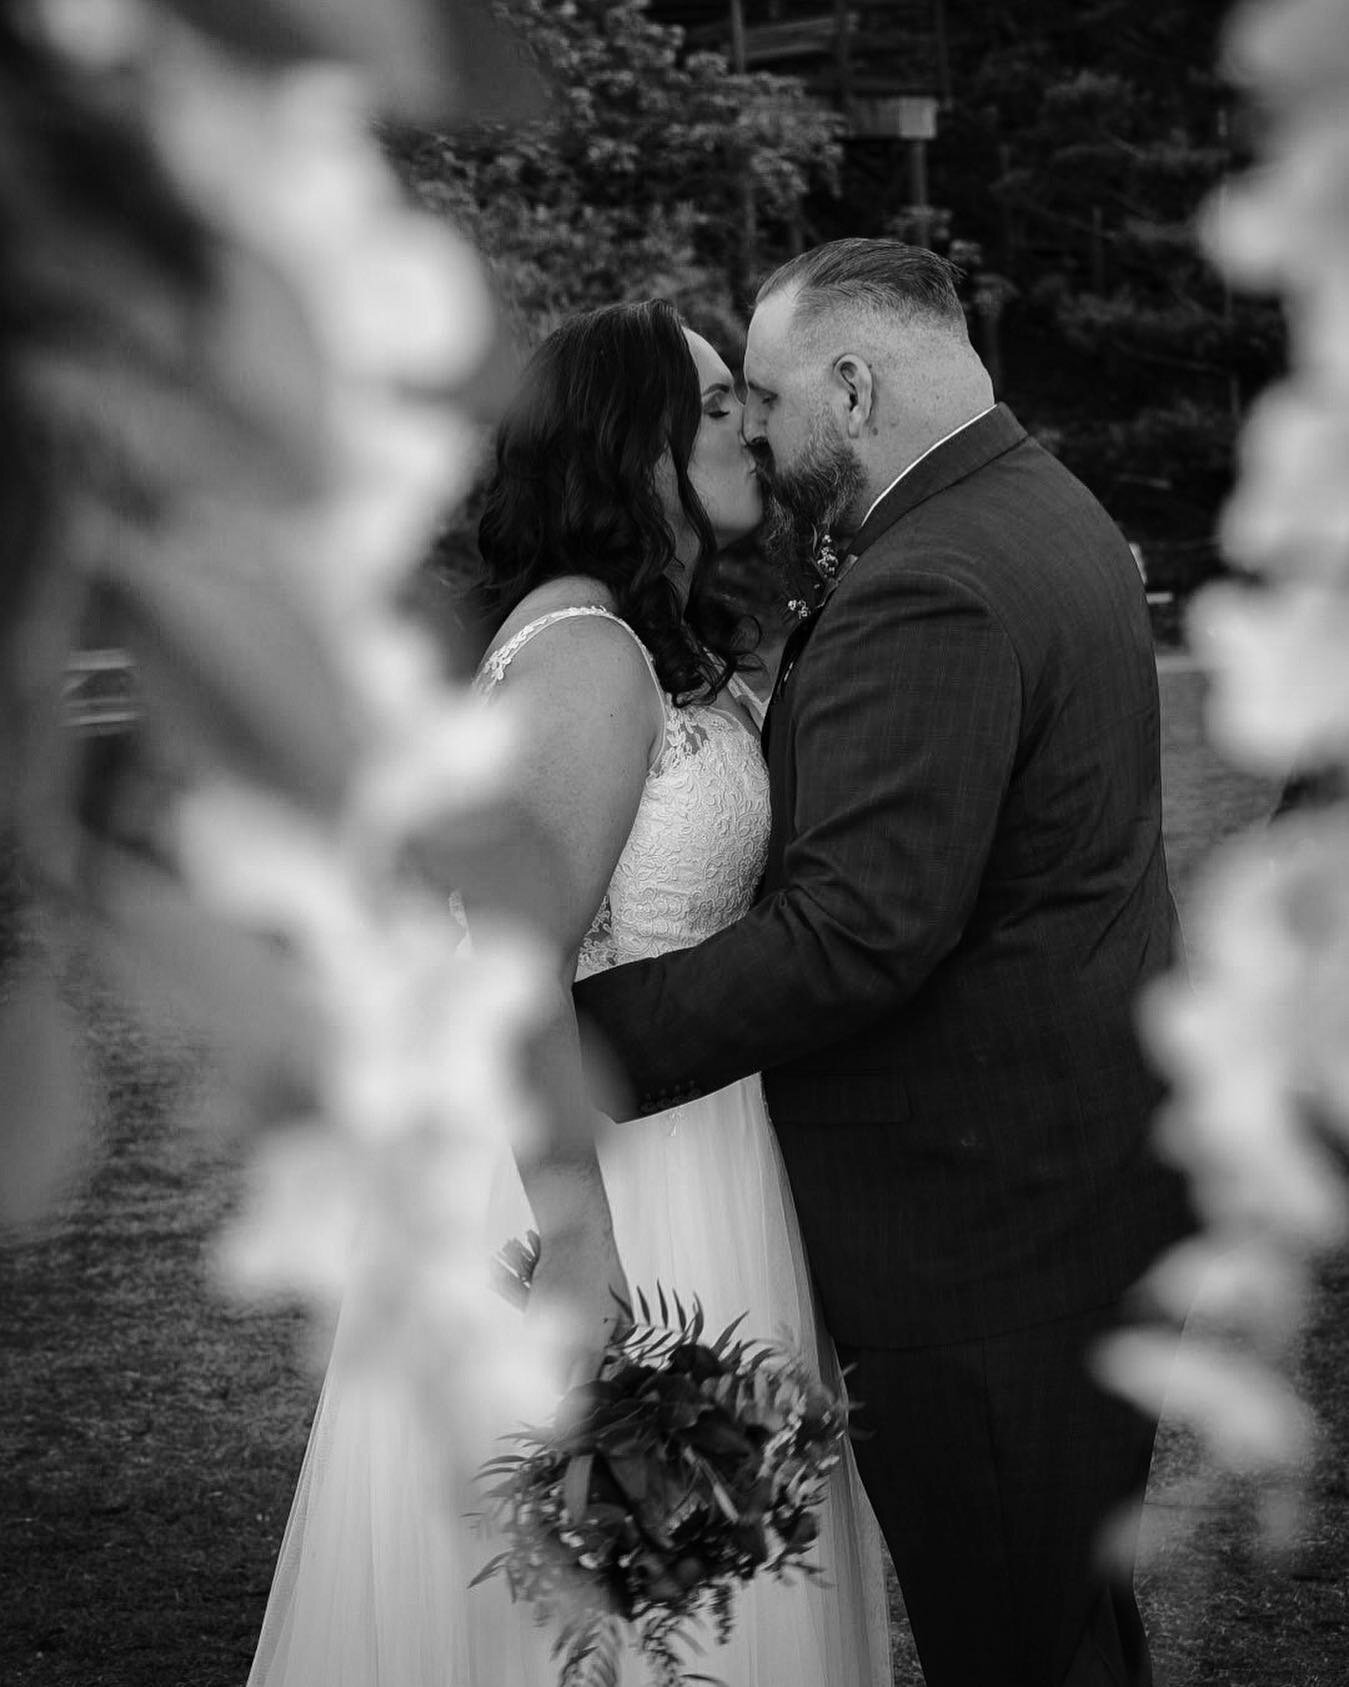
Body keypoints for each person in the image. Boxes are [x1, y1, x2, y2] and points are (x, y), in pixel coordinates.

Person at [574, 241, 1196, 1686]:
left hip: (977, 1235)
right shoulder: (1045, 509)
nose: (757, 432)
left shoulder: (934, 577)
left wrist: (567, 1040)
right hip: (1072, 1181)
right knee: (1058, 1621)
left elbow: (859, 932)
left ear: (852, 387)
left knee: (1015, 1642)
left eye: (773, 397)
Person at [246, 299, 891, 1687]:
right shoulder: (587, 660)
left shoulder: (620, 638)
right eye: (718, 405)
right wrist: (582, 1249)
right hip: (612, 1178)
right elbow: (514, 966)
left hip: (695, 1133)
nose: (754, 428)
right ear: (631, 444)